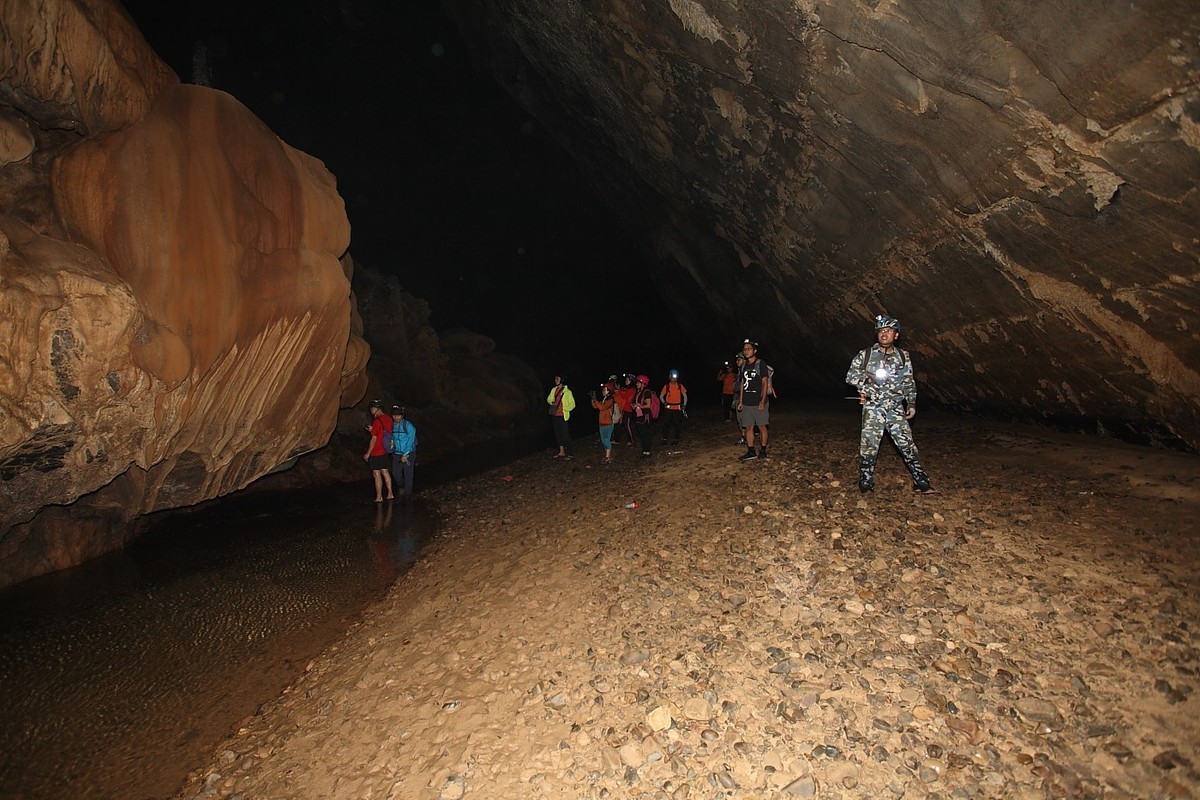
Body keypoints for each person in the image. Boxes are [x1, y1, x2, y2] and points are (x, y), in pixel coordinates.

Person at [845, 315, 933, 493]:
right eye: (881, 331)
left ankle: (921, 481)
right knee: (869, 445)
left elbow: (909, 381)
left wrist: (911, 403)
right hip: (873, 407)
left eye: (889, 331)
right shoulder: (866, 355)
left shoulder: (903, 356)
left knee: (906, 444)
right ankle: (866, 482)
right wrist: (866, 383)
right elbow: (850, 376)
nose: (884, 334)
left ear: (896, 335)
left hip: (895, 408)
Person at [736, 340, 771, 461]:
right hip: (747, 402)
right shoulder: (744, 365)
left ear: (754, 350)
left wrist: (762, 400)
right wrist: (740, 401)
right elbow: (742, 384)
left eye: (749, 348)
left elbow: (765, 381)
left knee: (761, 426)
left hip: (759, 402)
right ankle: (751, 451)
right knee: (748, 427)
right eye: (744, 349)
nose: (746, 351)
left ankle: (763, 450)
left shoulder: (760, 363)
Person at [363, 399, 395, 502]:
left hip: (377, 451)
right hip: (385, 449)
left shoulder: (377, 421)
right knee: (385, 471)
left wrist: (368, 453)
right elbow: (386, 432)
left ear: (376, 409)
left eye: (372, 408)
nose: (371, 411)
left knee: (376, 474)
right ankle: (390, 493)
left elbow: (374, 439)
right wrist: (374, 430)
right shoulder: (389, 419)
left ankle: (379, 496)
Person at [389, 405, 418, 498]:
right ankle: (402, 486)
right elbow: (390, 437)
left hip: (409, 453)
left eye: (398, 415)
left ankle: (408, 497)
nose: (396, 417)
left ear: (402, 416)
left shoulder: (407, 425)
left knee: (408, 474)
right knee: (396, 473)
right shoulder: (392, 426)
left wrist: (406, 454)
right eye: (394, 415)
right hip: (397, 453)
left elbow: (411, 439)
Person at [546, 375, 576, 459]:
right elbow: (548, 399)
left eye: (557, 379)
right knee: (557, 434)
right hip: (554, 415)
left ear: (562, 380)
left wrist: (564, 408)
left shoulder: (567, 392)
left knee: (565, 435)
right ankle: (561, 451)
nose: (555, 380)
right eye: (555, 378)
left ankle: (571, 453)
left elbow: (573, 404)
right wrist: (552, 401)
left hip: (563, 415)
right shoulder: (553, 389)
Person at [659, 369, 688, 449]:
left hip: (677, 408)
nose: (674, 379)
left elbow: (685, 396)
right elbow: (661, 395)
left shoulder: (680, 385)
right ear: (669, 377)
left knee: (677, 424)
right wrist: (664, 402)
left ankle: (676, 438)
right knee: (666, 424)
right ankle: (664, 438)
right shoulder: (666, 386)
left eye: (675, 378)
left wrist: (684, 405)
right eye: (672, 377)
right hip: (668, 408)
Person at [590, 382, 616, 463]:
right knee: (603, 441)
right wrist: (593, 399)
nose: (603, 391)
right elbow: (595, 406)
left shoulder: (610, 400)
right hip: (602, 424)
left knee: (606, 440)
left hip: (608, 424)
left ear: (609, 390)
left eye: (604, 389)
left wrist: (596, 400)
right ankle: (608, 456)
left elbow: (601, 407)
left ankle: (607, 457)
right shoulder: (604, 399)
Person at [632, 374, 655, 456]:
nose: (636, 384)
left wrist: (639, 406)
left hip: (645, 416)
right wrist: (634, 406)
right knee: (641, 434)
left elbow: (648, 405)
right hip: (639, 415)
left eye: (638, 383)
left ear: (643, 383)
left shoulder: (647, 392)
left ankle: (647, 451)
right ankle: (644, 451)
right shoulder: (638, 392)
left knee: (645, 433)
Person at [614, 373, 637, 445]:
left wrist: (618, 391)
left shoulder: (632, 389)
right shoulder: (626, 388)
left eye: (627, 380)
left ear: (631, 381)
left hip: (628, 410)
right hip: (623, 409)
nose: (625, 381)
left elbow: (624, 395)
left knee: (627, 425)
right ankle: (616, 440)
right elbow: (621, 393)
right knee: (619, 424)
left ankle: (631, 440)